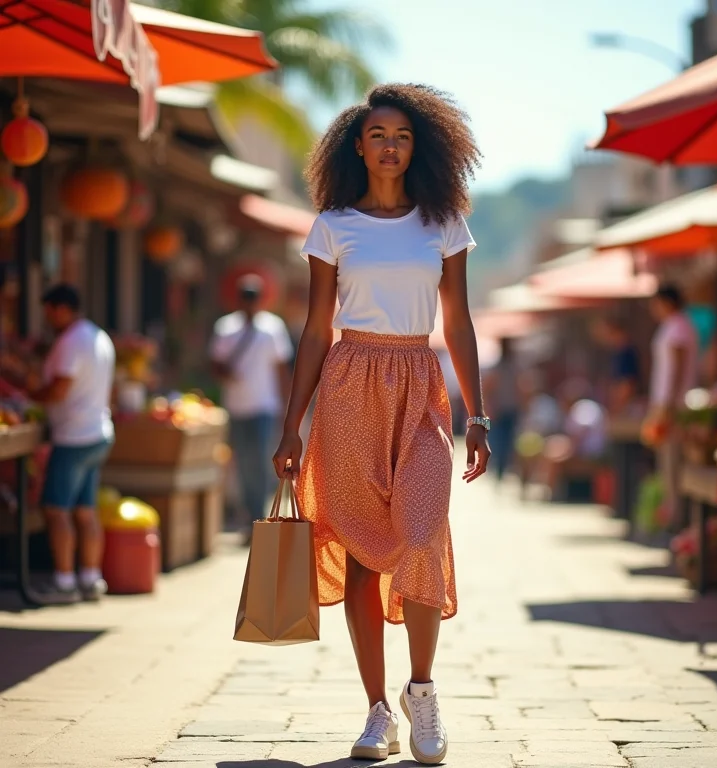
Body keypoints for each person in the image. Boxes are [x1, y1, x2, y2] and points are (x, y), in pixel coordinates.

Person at [273, 84, 489, 765]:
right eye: (378, 135)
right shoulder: (334, 225)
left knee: (423, 537)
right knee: (364, 556)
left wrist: (478, 414)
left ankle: (419, 693)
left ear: (418, 145)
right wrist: (291, 425)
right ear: (357, 147)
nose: (390, 146)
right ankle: (375, 712)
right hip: (347, 385)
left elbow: (456, 321)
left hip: (421, 387)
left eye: (402, 135)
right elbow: (314, 330)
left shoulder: (444, 223)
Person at [33, 284, 115, 602]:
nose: (47, 317)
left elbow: (58, 390)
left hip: (74, 436)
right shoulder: (97, 336)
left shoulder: (71, 342)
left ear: (61, 308)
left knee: (57, 511)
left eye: (49, 310)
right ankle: (91, 578)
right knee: (85, 511)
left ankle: (64, 582)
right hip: (97, 431)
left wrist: (31, 395)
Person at [210, 275, 292, 533]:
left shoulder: (272, 328)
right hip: (236, 406)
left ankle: (257, 515)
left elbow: (281, 369)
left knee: (258, 461)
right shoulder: (226, 328)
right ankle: (249, 513)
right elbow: (214, 363)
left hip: (264, 406)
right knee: (241, 463)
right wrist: (226, 374)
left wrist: (287, 407)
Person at [644, 284, 698, 529]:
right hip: (668, 404)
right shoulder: (676, 326)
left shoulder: (678, 327)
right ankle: (673, 519)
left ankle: (677, 523)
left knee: (673, 465)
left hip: (672, 406)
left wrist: (668, 407)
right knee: (669, 464)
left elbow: (676, 368)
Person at [484, 337, 519, 482]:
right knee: (498, 441)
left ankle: (503, 468)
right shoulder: (497, 368)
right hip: (499, 411)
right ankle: (497, 468)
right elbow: (487, 389)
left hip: (512, 409)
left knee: (508, 441)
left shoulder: (514, 367)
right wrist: (489, 407)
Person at [595, 317, 642, 417]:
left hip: (627, 407)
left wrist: (618, 407)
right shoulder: (617, 353)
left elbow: (628, 383)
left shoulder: (626, 352)